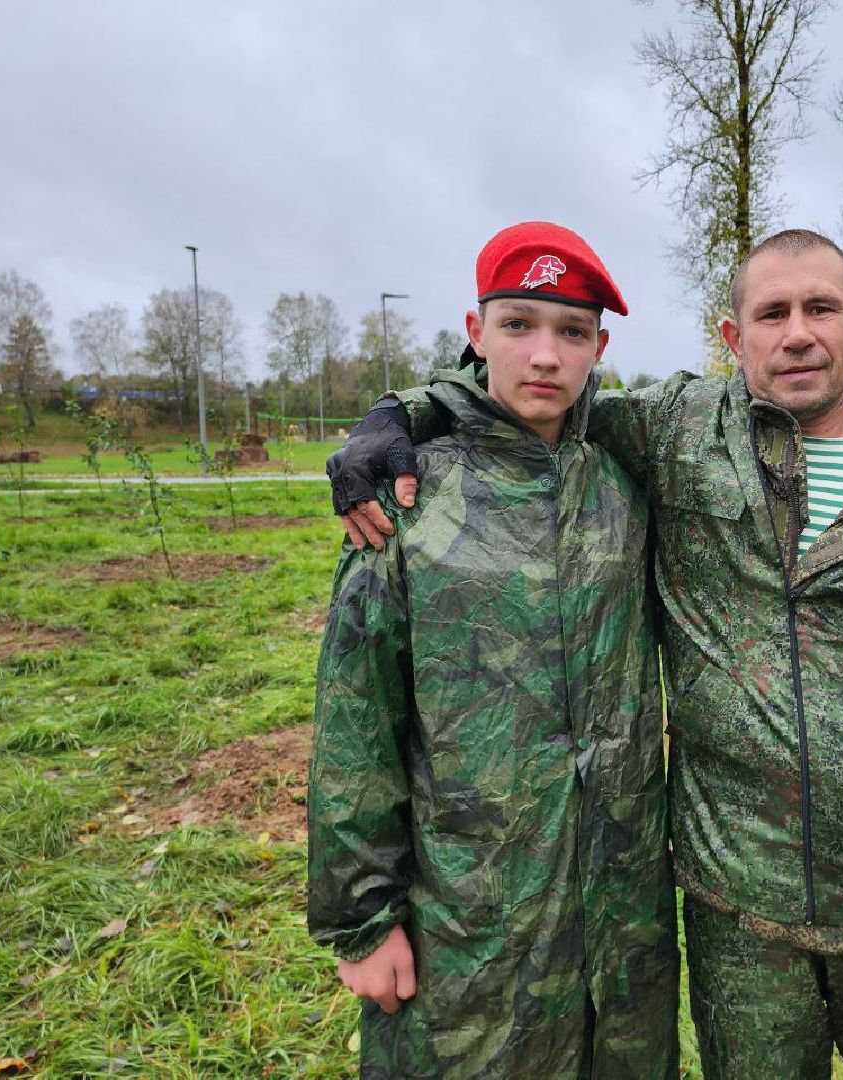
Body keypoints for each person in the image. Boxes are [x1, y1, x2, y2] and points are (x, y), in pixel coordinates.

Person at [328, 229, 843, 1079]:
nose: (798, 334)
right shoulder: (679, 431)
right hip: (739, 910)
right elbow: (528, 392)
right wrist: (398, 414)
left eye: (821, 309)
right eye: (772, 313)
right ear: (733, 337)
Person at [308, 221, 678, 1079]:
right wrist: (363, 920)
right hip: (471, 922)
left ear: (600, 349)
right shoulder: (409, 496)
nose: (545, 355)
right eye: (518, 325)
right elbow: (356, 719)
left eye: (572, 331)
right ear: (475, 333)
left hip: (622, 927)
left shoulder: (623, 483)